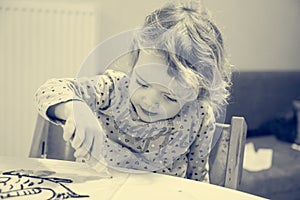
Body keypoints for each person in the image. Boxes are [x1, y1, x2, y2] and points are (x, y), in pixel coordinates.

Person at [34, 0, 232, 182]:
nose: (150, 102)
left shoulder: (199, 115)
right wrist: (75, 109)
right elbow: (50, 90)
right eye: (143, 83)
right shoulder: (113, 89)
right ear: (134, 62)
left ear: (196, 93)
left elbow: (197, 180)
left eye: (169, 97)